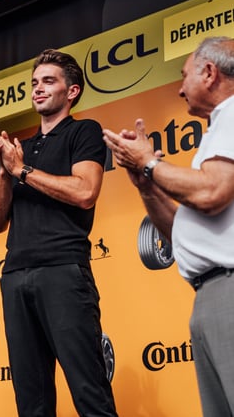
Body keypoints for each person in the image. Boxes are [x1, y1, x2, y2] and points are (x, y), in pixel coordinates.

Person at [102, 36, 234, 417]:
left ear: (209, 73)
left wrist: (149, 162)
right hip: (208, 294)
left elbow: (212, 192)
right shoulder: (217, 130)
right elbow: (179, 229)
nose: (179, 88)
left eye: (184, 76)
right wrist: (147, 185)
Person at [0, 48, 117, 417]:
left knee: (88, 389)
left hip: (62, 270)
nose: (37, 89)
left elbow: (85, 192)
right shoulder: (20, 149)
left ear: (71, 91)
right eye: (34, 83)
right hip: (14, 274)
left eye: (48, 81)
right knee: (32, 400)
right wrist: (4, 171)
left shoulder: (83, 131)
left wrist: (22, 171)